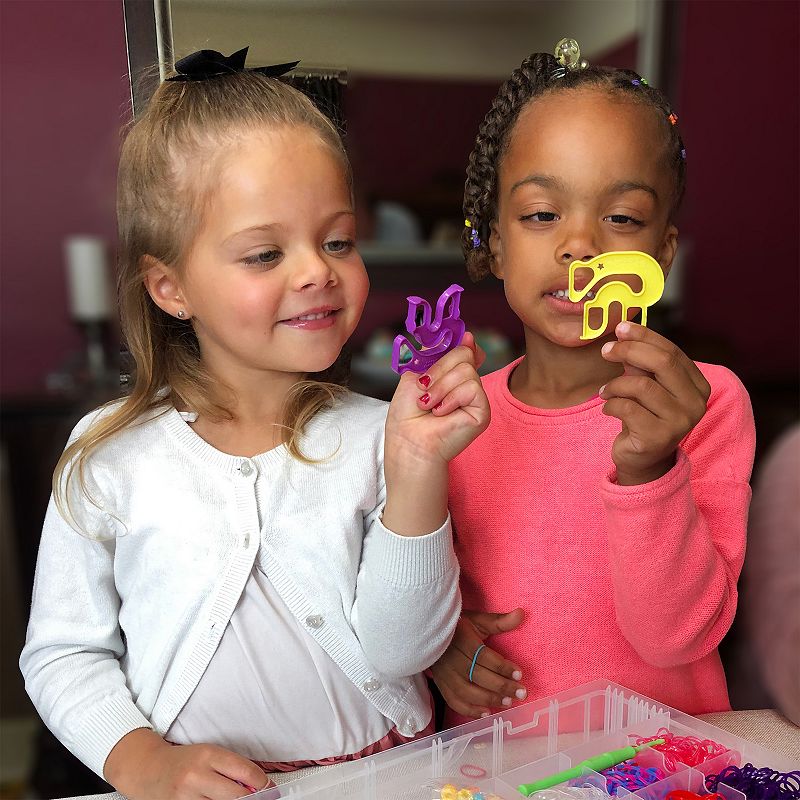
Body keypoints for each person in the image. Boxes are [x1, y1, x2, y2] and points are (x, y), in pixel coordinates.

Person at [20, 49, 489, 800]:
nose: (316, 271)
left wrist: (415, 468)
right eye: (266, 252)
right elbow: (62, 654)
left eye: (337, 240)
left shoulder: (381, 438)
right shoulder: (109, 459)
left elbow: (405, 650)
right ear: (171, 287)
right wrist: (143, 762)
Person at [430, 42, 755, 725]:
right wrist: (438, 645)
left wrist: (651, 469)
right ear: (494, 242)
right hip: (494, 773)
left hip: (662, 768)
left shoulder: (708, 403)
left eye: (623, 218)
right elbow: (419, 593)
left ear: (662, 251)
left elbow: (680, 639)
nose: (580, 245)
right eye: (542, 214)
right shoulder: (453, 418)